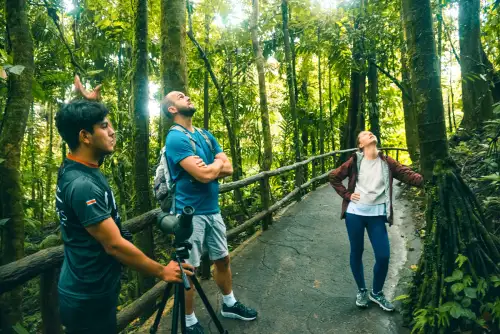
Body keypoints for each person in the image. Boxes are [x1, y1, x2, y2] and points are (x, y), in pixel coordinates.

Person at [55, 78, 194, 334]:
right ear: (84, 136)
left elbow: (77, 128)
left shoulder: (77, 164)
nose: (112, 132)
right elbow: (114, 244)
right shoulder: (82, 185)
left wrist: (90, 105)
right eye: (105, 126)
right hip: (88, 296)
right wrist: (162, 270)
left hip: (89, 287)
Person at [162, 91, 257, 333]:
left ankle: (229, 303)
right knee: (188, 270)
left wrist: (211, 167)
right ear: (172, 109)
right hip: (188, 214)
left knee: (223, 259)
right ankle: (189, 320)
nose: (187, 97)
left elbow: (229, 167)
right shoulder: (175, 138)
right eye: (180, 97)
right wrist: (215, 167)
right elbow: (204, 174)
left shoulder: (205, 134)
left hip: (213, 211)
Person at [329, 131, 423, 311]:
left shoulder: (387, 162)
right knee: (357, 251)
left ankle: (376, 292)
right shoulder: (355, 161)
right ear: (361, 145)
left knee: (383, 255)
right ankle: (362, 291)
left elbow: (407, 175)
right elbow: (334, 177)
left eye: (370, 132)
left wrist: (430, 178)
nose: (369, 133)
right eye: (364, 134)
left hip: (377, 216)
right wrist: (347, 195)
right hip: (355, 214)